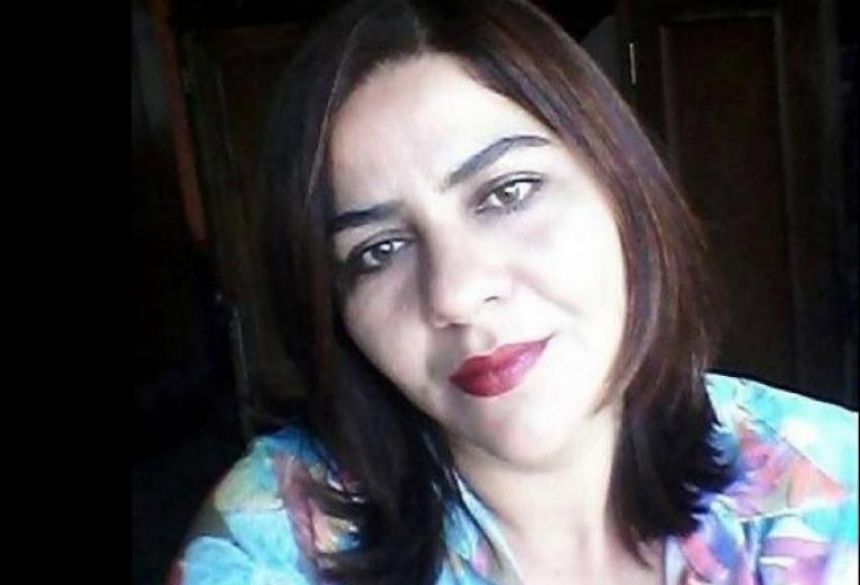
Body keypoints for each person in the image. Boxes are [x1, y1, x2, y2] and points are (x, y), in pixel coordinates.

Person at [169, 0, 858, 583]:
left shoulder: (832, 490)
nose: (456, 294)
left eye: (507, 192)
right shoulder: (274, 538)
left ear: (623, 191)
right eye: (379, 251)